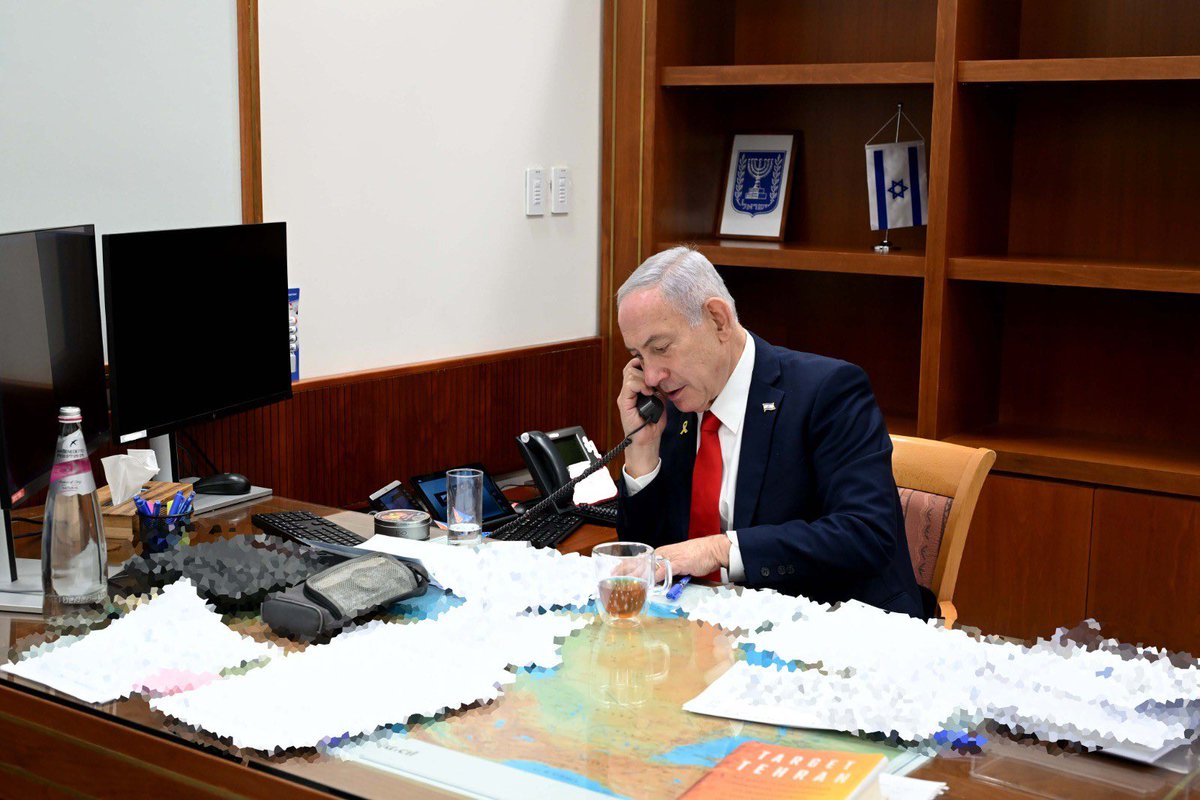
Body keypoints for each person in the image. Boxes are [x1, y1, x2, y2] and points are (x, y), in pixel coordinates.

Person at [615, 246, 923, 617]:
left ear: (718, 320)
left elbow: (864, 533)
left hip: (831, 625)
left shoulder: (828, 391)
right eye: (639, 356)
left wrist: (719, 550)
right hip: (707, 630)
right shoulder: (674, 407)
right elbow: (652, 560)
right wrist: (642, 451)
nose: (651, 376)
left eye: (661, 348)